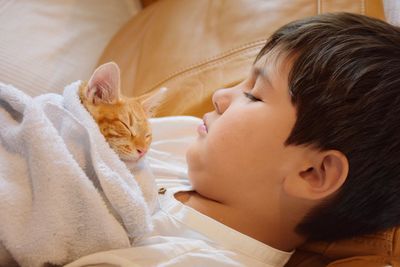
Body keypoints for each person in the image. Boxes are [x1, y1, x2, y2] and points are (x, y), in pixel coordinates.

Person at [66, 12, 400, 267]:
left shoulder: (199, 260)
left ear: (312, 174)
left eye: (253, 95)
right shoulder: (186, 135)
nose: (220, 95)